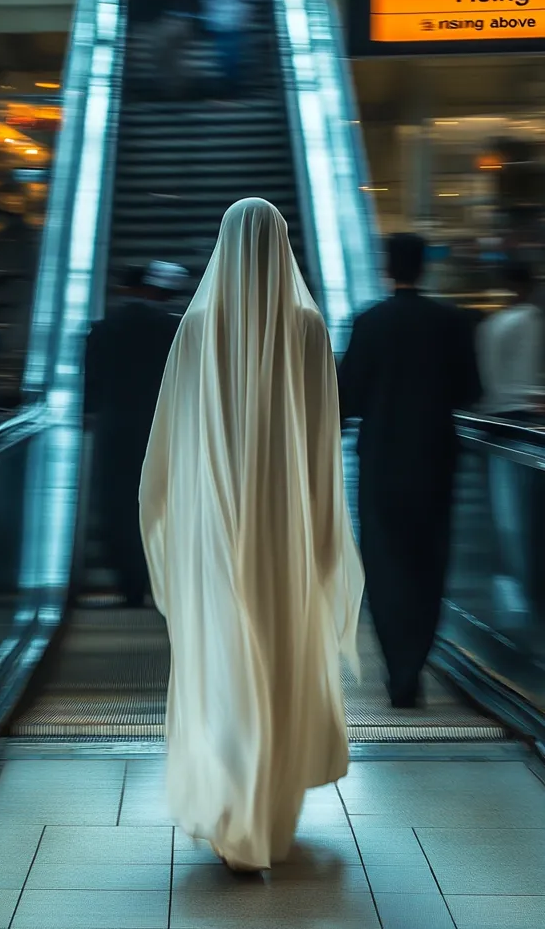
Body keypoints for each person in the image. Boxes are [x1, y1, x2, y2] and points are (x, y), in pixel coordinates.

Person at [140, 198, 363, 870]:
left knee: (224, 654)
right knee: (278, 651)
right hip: (287, 527)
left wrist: (174, 520)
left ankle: (232, 803)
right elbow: (324, 444)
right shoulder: (306, 327)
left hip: (213, 525)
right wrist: (325, 529)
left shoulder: (198, 326)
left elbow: (171, 444)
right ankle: (270, 808)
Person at [338, 234, 481, 709]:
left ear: (386, 267)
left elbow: (348, 397)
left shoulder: (367, 322)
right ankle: (416, 660)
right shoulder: (452, 322)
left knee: (384, 562)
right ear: (426, 267)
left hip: (380, 459)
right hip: (436, 458)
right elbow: (470, 391)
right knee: (429, 560)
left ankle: (398, 668)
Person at [84, 261, 187, 608]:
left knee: (120, 508)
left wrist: (91, 414)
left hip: (116, 432)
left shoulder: (104, 330)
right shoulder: (179, 329)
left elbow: (91, 386)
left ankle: (131, 588)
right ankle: (168, 585)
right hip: (169, 430)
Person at [477, 262, 545, 420]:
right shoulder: (529, 318)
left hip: (492, 409)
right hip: (523, 410)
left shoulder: (493, 322)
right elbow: (527, 369)